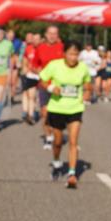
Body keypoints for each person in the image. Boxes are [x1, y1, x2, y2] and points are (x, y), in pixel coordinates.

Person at [39, 41, 92, 189]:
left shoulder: (83, 68)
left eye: (76, 54)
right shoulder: (55, 65)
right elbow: (42, 80)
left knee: (73, 142)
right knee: (57, 142)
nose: (73, 57)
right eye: (70, 54)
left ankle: (72, 174)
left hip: (75, 109)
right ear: (64, 54)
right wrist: (51, 87)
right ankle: (56, 162)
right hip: (57, 108)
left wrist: (87, 93)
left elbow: (88, 84)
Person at [35, 26, 65, 149]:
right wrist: (41, 76)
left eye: (55, 33)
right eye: (50, 33)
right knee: (45, 113)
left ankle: (57, 135)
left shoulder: (62, 47)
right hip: (45, 85)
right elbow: (36, 65)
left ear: (57, 35)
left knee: (59, 115)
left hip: (59, 86)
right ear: (46, 34)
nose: (52, 36)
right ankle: (48, 137)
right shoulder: (40, 48)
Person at [19, 32, 41, 125]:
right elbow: (25, 60)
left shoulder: (43, 49)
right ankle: (30, 115)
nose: (35, 41)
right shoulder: (28, 48)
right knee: (31, 95)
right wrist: (25, 68)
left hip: (42, 76)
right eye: (34, 39)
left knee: (36, 96)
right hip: (31, 75)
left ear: (41, 40)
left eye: (37, 39)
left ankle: (34, 112)